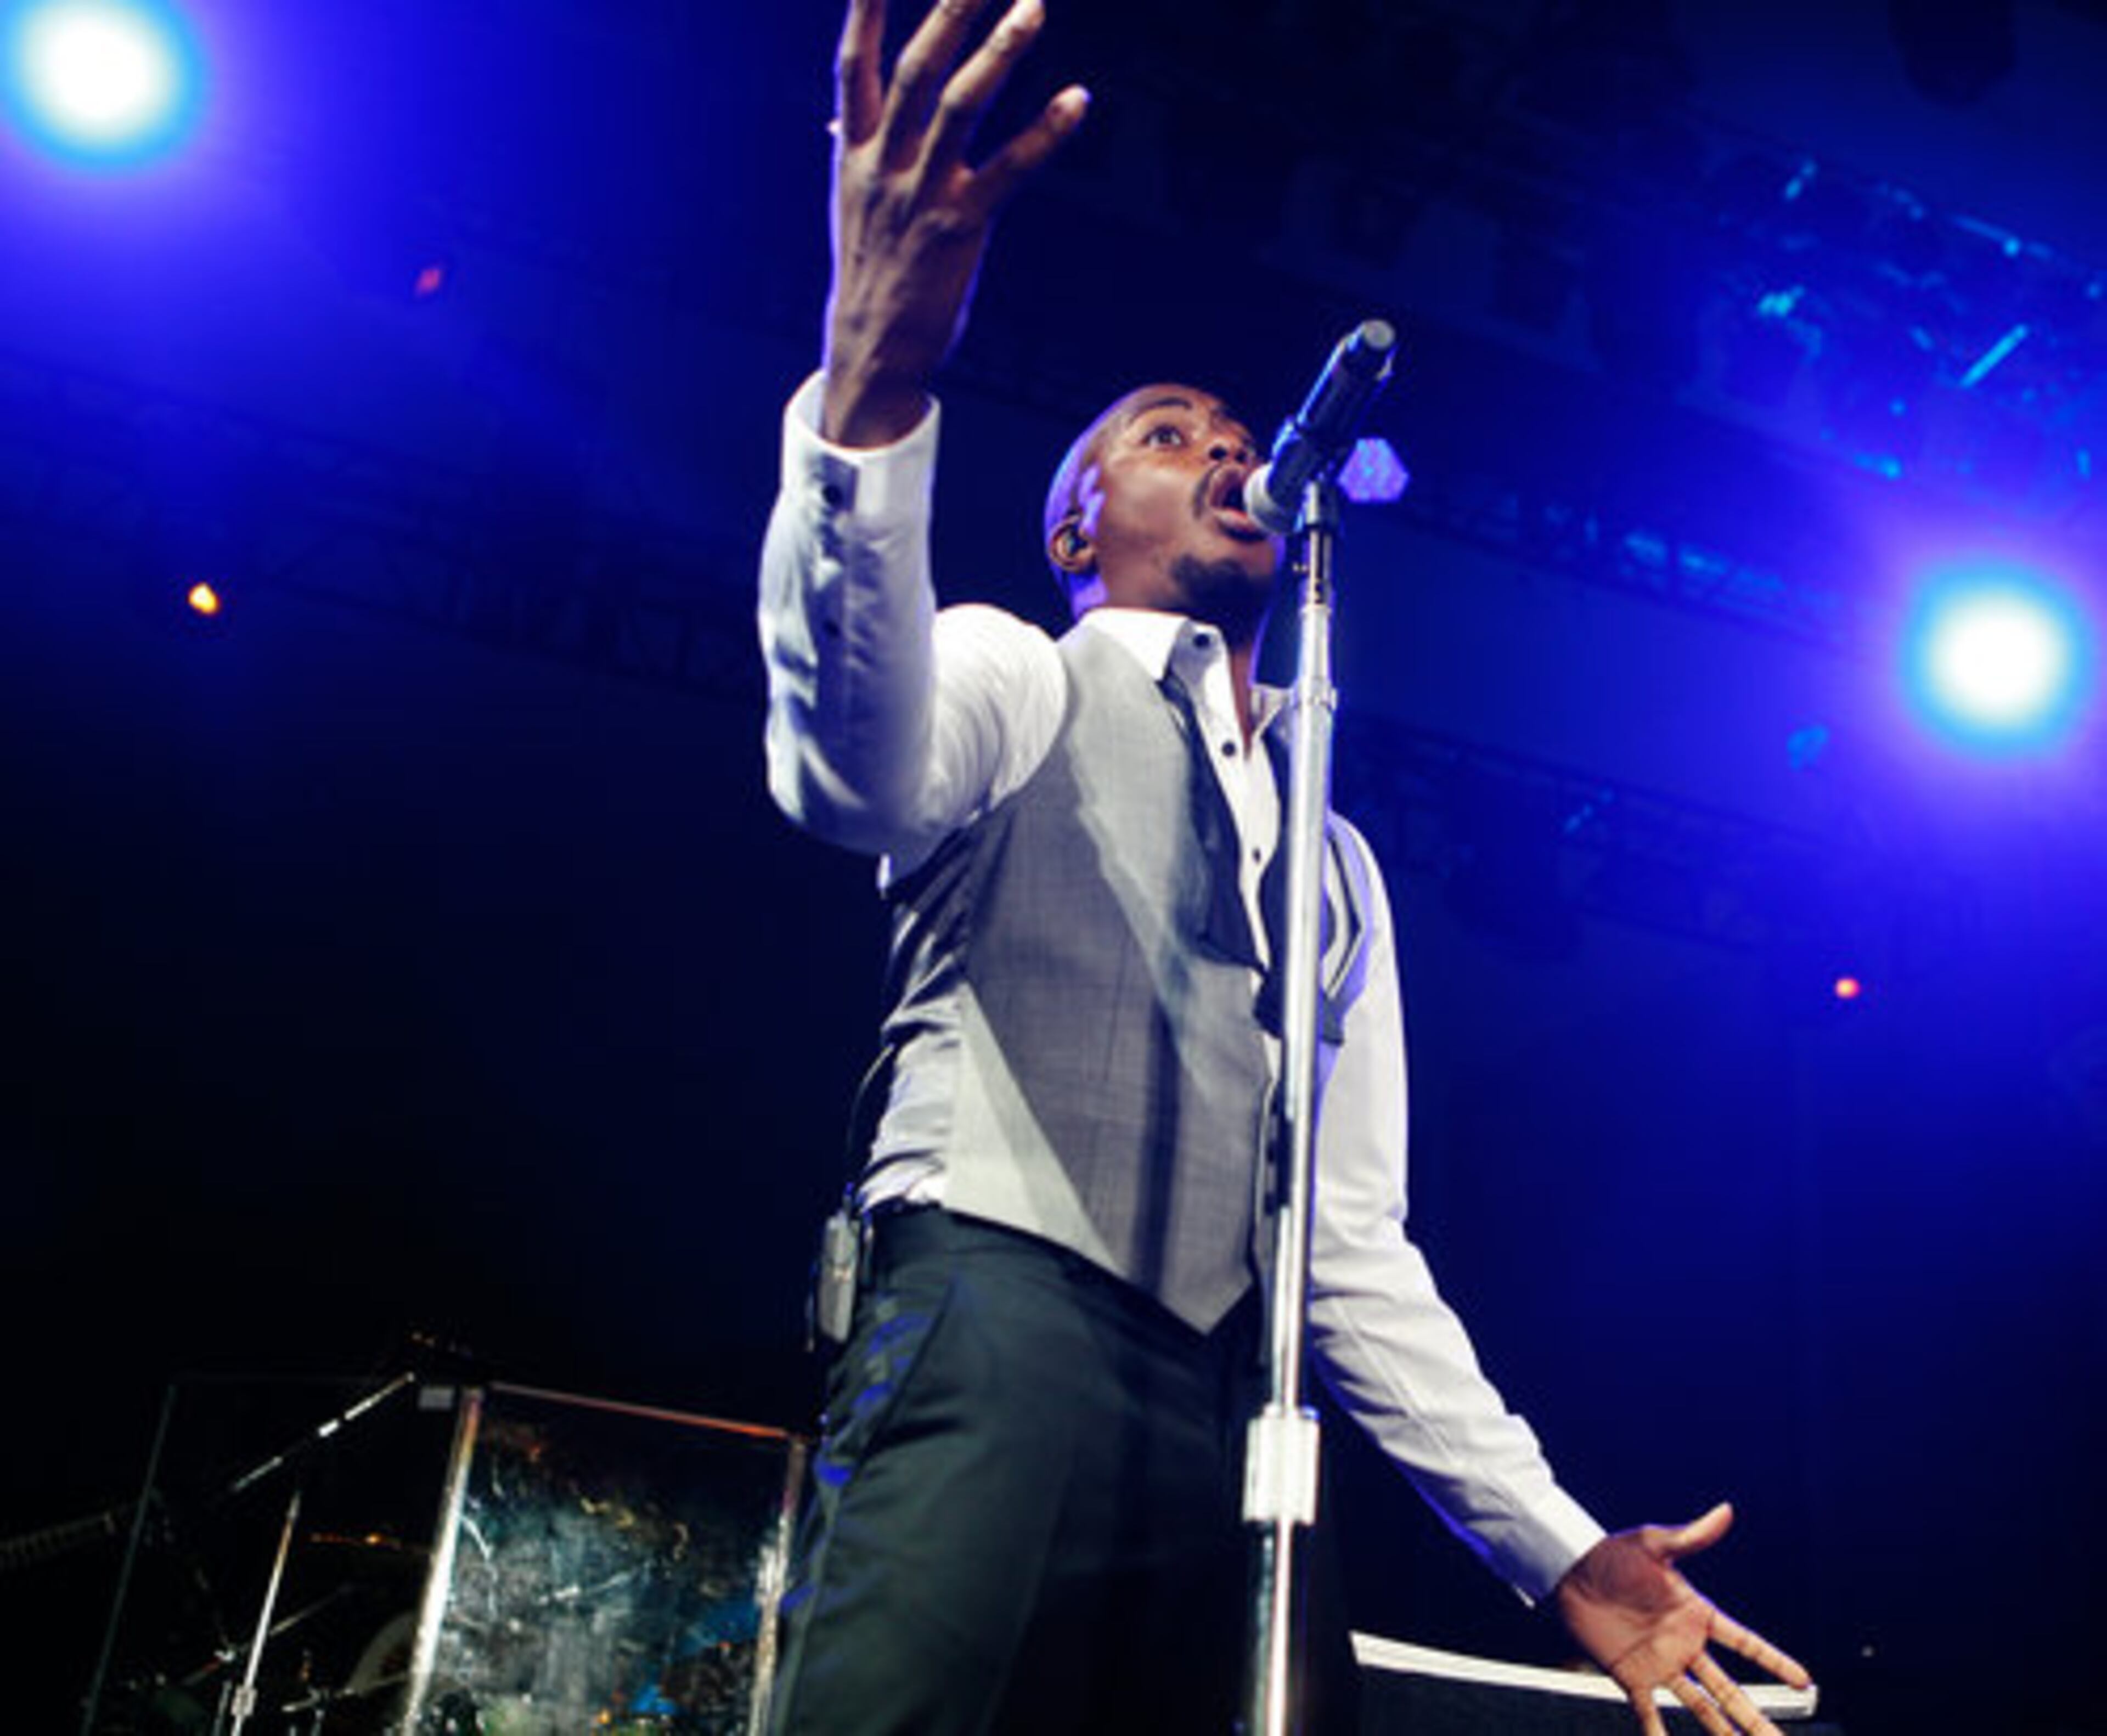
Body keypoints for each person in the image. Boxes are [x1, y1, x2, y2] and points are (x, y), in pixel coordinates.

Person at [756, 2, 1815, 1733]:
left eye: (1236, 433)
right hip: (992, 1313)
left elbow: (1344, 1243)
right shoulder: (1023, 672)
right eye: (1169, 434)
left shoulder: (1335, 862)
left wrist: (1553, 1547)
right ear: (1076, 526)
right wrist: (871, 394)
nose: (1230, 450)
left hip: (1228, 1403)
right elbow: (840, 774)